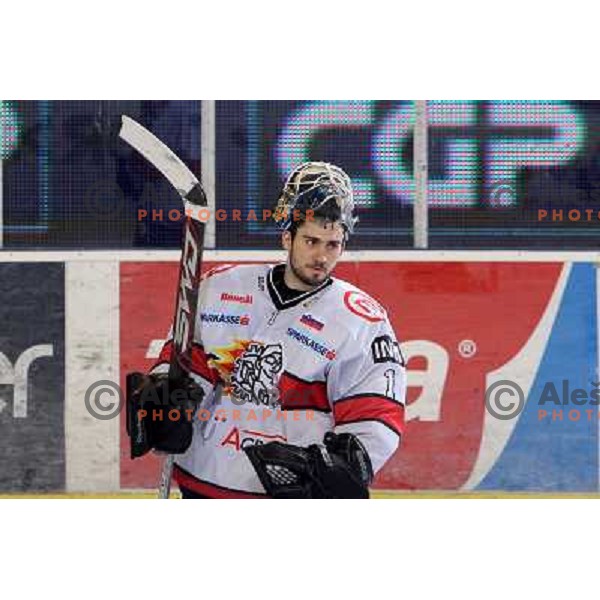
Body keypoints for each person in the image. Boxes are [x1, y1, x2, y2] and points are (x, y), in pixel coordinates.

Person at [127, 162, 406, 498]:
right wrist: (165, 397)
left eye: (332, 244)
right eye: (311, 241)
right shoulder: (221, 287)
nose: (321, 256)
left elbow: (376, 416)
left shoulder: (361, 321)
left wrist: (343, 466)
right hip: (202, 481)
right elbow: (185, 364)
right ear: (287, 236)